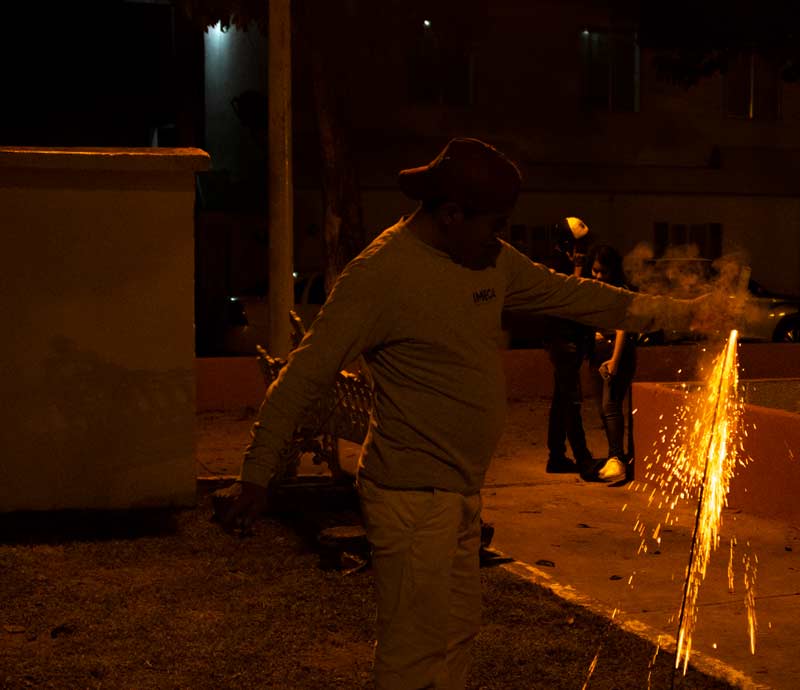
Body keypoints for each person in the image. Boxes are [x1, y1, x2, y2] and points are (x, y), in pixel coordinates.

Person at [214, 137, 732, 690]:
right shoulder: (381, 276)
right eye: (495, 223)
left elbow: (579, 296)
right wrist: (256, 473)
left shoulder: (487, 259)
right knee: (412, 657)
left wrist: (686, 313)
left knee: (456, 637)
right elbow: (303, 375)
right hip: (410, 498)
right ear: (451, 214)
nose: (502, 239)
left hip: (458, 494)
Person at [543, 217, 596, 477]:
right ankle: (583, 459)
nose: (583, 250)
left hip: (568, 341)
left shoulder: (571, 264)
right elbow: (568, 303)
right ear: (566, 243)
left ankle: (556, 456)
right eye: (579, 244)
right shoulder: (557, 267)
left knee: (561, 400)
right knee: (572, 401)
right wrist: (576, 271)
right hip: (563, 343)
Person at [587, 244, 637, 483]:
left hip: (617, 354)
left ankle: (618, 459)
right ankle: (613, 455)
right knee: (601, 408)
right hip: (597, 353)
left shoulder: (620, 292)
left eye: (603, 272)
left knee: (611, 405)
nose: (597, 276)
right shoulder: (593, 290)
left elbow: (622, 327)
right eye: (594, 271)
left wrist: (615, 359)